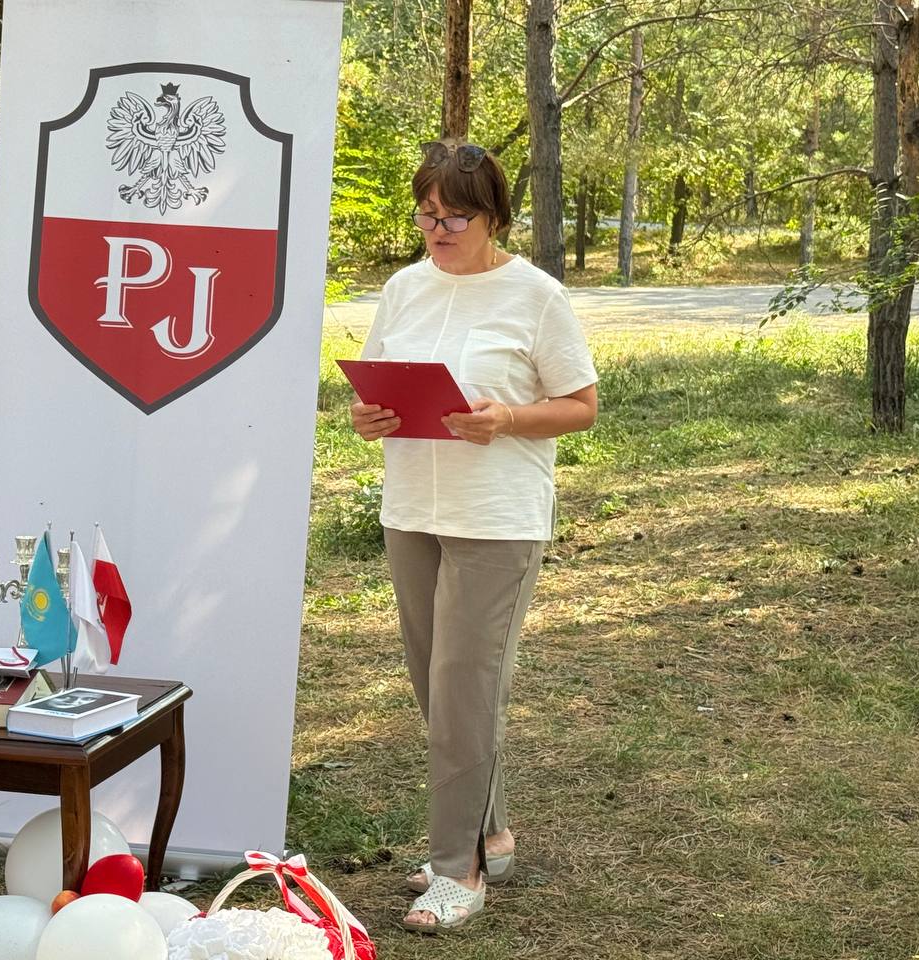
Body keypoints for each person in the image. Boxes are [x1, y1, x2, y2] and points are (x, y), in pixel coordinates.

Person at [350, 138, 599, 933]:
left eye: (454, 217)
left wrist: (509, 418)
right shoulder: (404, 288)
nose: (438, 230)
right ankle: (492, 835)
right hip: (411, 511)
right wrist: (366, 417)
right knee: (439, 689)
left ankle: (458, 869)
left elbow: (581, 405)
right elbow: (376, 386)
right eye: (426, 214)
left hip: (495, 518)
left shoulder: (536, 296)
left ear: (493, 216)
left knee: (465, 689)